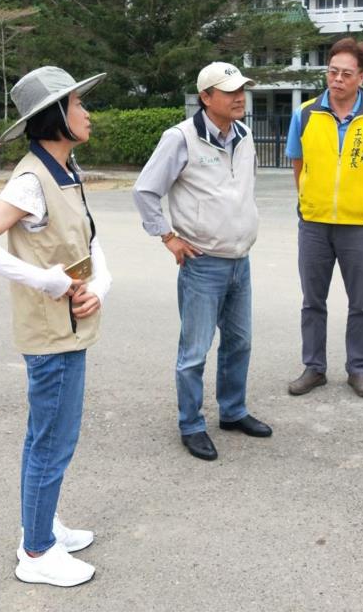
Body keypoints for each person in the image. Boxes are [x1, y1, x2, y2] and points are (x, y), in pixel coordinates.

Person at [0, 66, 111, 587]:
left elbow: (90, 248)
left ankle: (43, 525)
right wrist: (44, 281)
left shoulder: (69, 170)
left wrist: (99, 288)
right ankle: (37, 551)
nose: (86, 113)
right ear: (55, 118)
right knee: (50, 440)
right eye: (76, 105)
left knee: (51, 436)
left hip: (71, 325)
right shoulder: (30, 179)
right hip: (50, 334)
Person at [132, 62, 272, 462]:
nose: (239, 96)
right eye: (229, 91)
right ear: (206, 97)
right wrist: (168, 237)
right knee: (194, 351)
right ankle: (191, 424)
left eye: (242, 89)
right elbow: (145, 190)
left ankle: (233, 411)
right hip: (202, 263)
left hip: (240, 260)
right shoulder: (181, 138)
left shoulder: (243, 135)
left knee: (239, 342)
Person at [285, 37, 363, 398]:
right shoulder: (304, 113)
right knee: (312, 300)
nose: (337, 79)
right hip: (314, 223)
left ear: (362, 77)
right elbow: (298, 164)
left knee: (360, 303)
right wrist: (308, 197)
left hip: (358, 224)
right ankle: (313, 367)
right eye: (333, 71)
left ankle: (358, 369)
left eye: (347, 74)